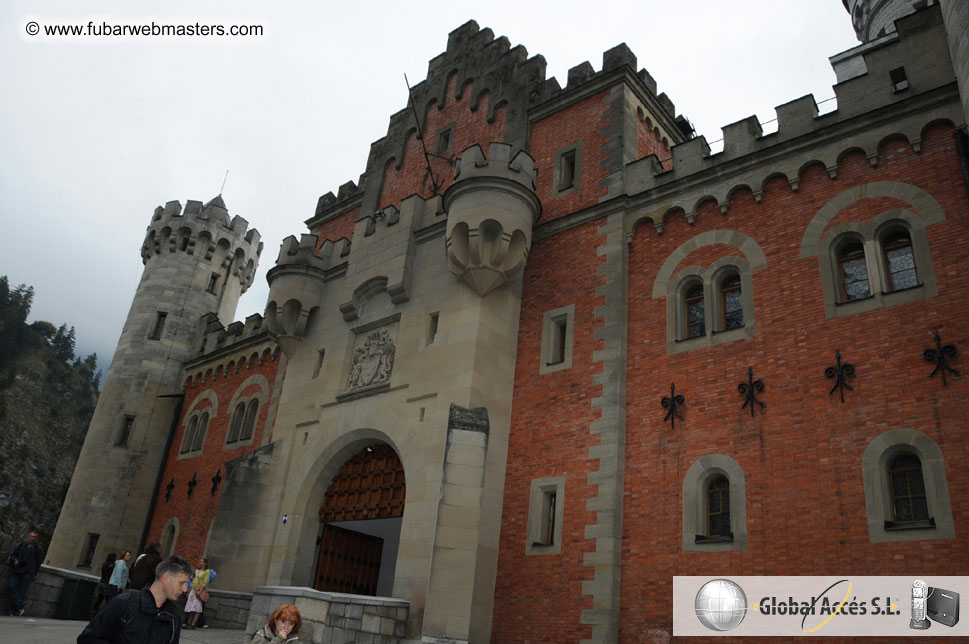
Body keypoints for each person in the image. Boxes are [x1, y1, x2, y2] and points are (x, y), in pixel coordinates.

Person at [78, 554, 193, 644]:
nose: (184, 589)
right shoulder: (123, 603)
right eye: (182, 583)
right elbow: (88, 638)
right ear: (166, 578)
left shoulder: (173, 617)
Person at [7, 530, 44, 616]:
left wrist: (34, 574)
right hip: (17, 570)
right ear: (28, 536)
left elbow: (38, 562)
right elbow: (13, 555)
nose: (32, 538)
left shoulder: (38, 549)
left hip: (28, 572)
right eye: (31, 536)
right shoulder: (21, 545)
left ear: (36, 539)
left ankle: (13, 610)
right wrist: (15, 560)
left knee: (21, 591)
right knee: (11, 587)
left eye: (34, 537)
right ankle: (21, 605)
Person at [183, 557, 214, 629]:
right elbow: (192, 580)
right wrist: (189, 591)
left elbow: (205, 582)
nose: (200, 563)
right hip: (193, 590)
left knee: (197, 608)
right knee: (191, 607)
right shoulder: (196, 571)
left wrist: (200, 592)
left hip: (199, 590)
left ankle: (193, 624)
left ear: (205, 564)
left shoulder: (207, 572)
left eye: (202, 561)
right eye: (200, 561)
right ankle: (189, 623)